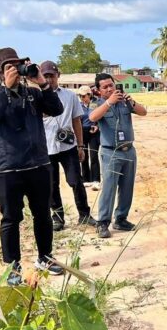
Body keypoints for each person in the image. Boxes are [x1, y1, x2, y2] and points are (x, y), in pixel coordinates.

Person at [0, 47, 64, 285]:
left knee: (43, 215)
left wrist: (42, 83)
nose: (15, 71)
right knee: (10, 218)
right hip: (8, 168)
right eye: (9, 68)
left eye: (17, 66)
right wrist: (6, 88)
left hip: (38, 164)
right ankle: (12, 266)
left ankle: (45, 257)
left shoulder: (33, 94)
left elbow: (57, 109)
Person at [39, 61, 97, 231]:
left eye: (52, 75)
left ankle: (84, 214)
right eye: (45, 76)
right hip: (46, 147)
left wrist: (80, 146)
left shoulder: (70, 96)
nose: (49, 79)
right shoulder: (36, 96)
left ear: (58, 76)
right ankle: (57, 218)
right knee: (51, 184)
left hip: (68, 146)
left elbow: (76, 121)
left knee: (76, 181)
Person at [88, 73, 147, 239]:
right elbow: (92, 117)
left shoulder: (124, 102)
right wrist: (109, 102)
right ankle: (103, 222)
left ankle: (121, 219)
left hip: (129, 150)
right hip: (110, 152)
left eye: (111, 85)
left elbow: (143, 112)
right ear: (98, 90)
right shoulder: (97, 103)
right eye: (105, 87)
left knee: (127, 186)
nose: (109, 89)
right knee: (109, 187)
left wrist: (132, 102)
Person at [76, 86, 101, 190]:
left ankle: (96, 180)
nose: (81, 98)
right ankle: (86, 179)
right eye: (80, 96)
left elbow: (101, 117)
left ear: (89, 95)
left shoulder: (96, 103)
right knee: (84, 156)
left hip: (94, 132)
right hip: (83, 132)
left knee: (94, 155)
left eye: (83, 96)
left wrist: (97, 126)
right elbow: (77, 119)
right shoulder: (79, 105)